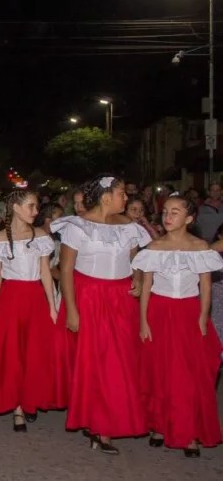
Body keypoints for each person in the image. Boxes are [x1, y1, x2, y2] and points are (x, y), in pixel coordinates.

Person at [51, 175, 151, 454]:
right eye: (121, 193)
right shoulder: (78, 226)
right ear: (106, 197)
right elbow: (66, 269)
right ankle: (99, 426)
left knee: (119, 360)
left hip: (120, 298)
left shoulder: (128, 225)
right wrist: (72, 310)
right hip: (90, 297)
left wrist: (138, 278)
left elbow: (135, 260)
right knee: (96, 362)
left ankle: (109, 418)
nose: (126, 198)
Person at [133, 196, 223, 458]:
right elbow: (146, 286)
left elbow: (205, 286)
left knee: (188, 374)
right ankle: (159, 425)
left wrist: (202, 318)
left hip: (188, 313)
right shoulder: (155, 247)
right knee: (159, 370)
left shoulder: (200, 247)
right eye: (165, 212)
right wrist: (143, 321)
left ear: (189, 218)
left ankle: (189, 431)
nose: (168, 217)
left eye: (175, 212)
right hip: (160, 313)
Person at [0, 190, 58, 431]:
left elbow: (45, 272)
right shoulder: (0, 238)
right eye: (31, 206)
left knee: (33, 353)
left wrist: (52, 305)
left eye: (36, 206)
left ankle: (29, 398)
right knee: (13, 353)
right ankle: (18, 408)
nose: (36, 211)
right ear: (15, 207)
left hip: (35, 298)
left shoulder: (41, 236)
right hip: (11, 298)